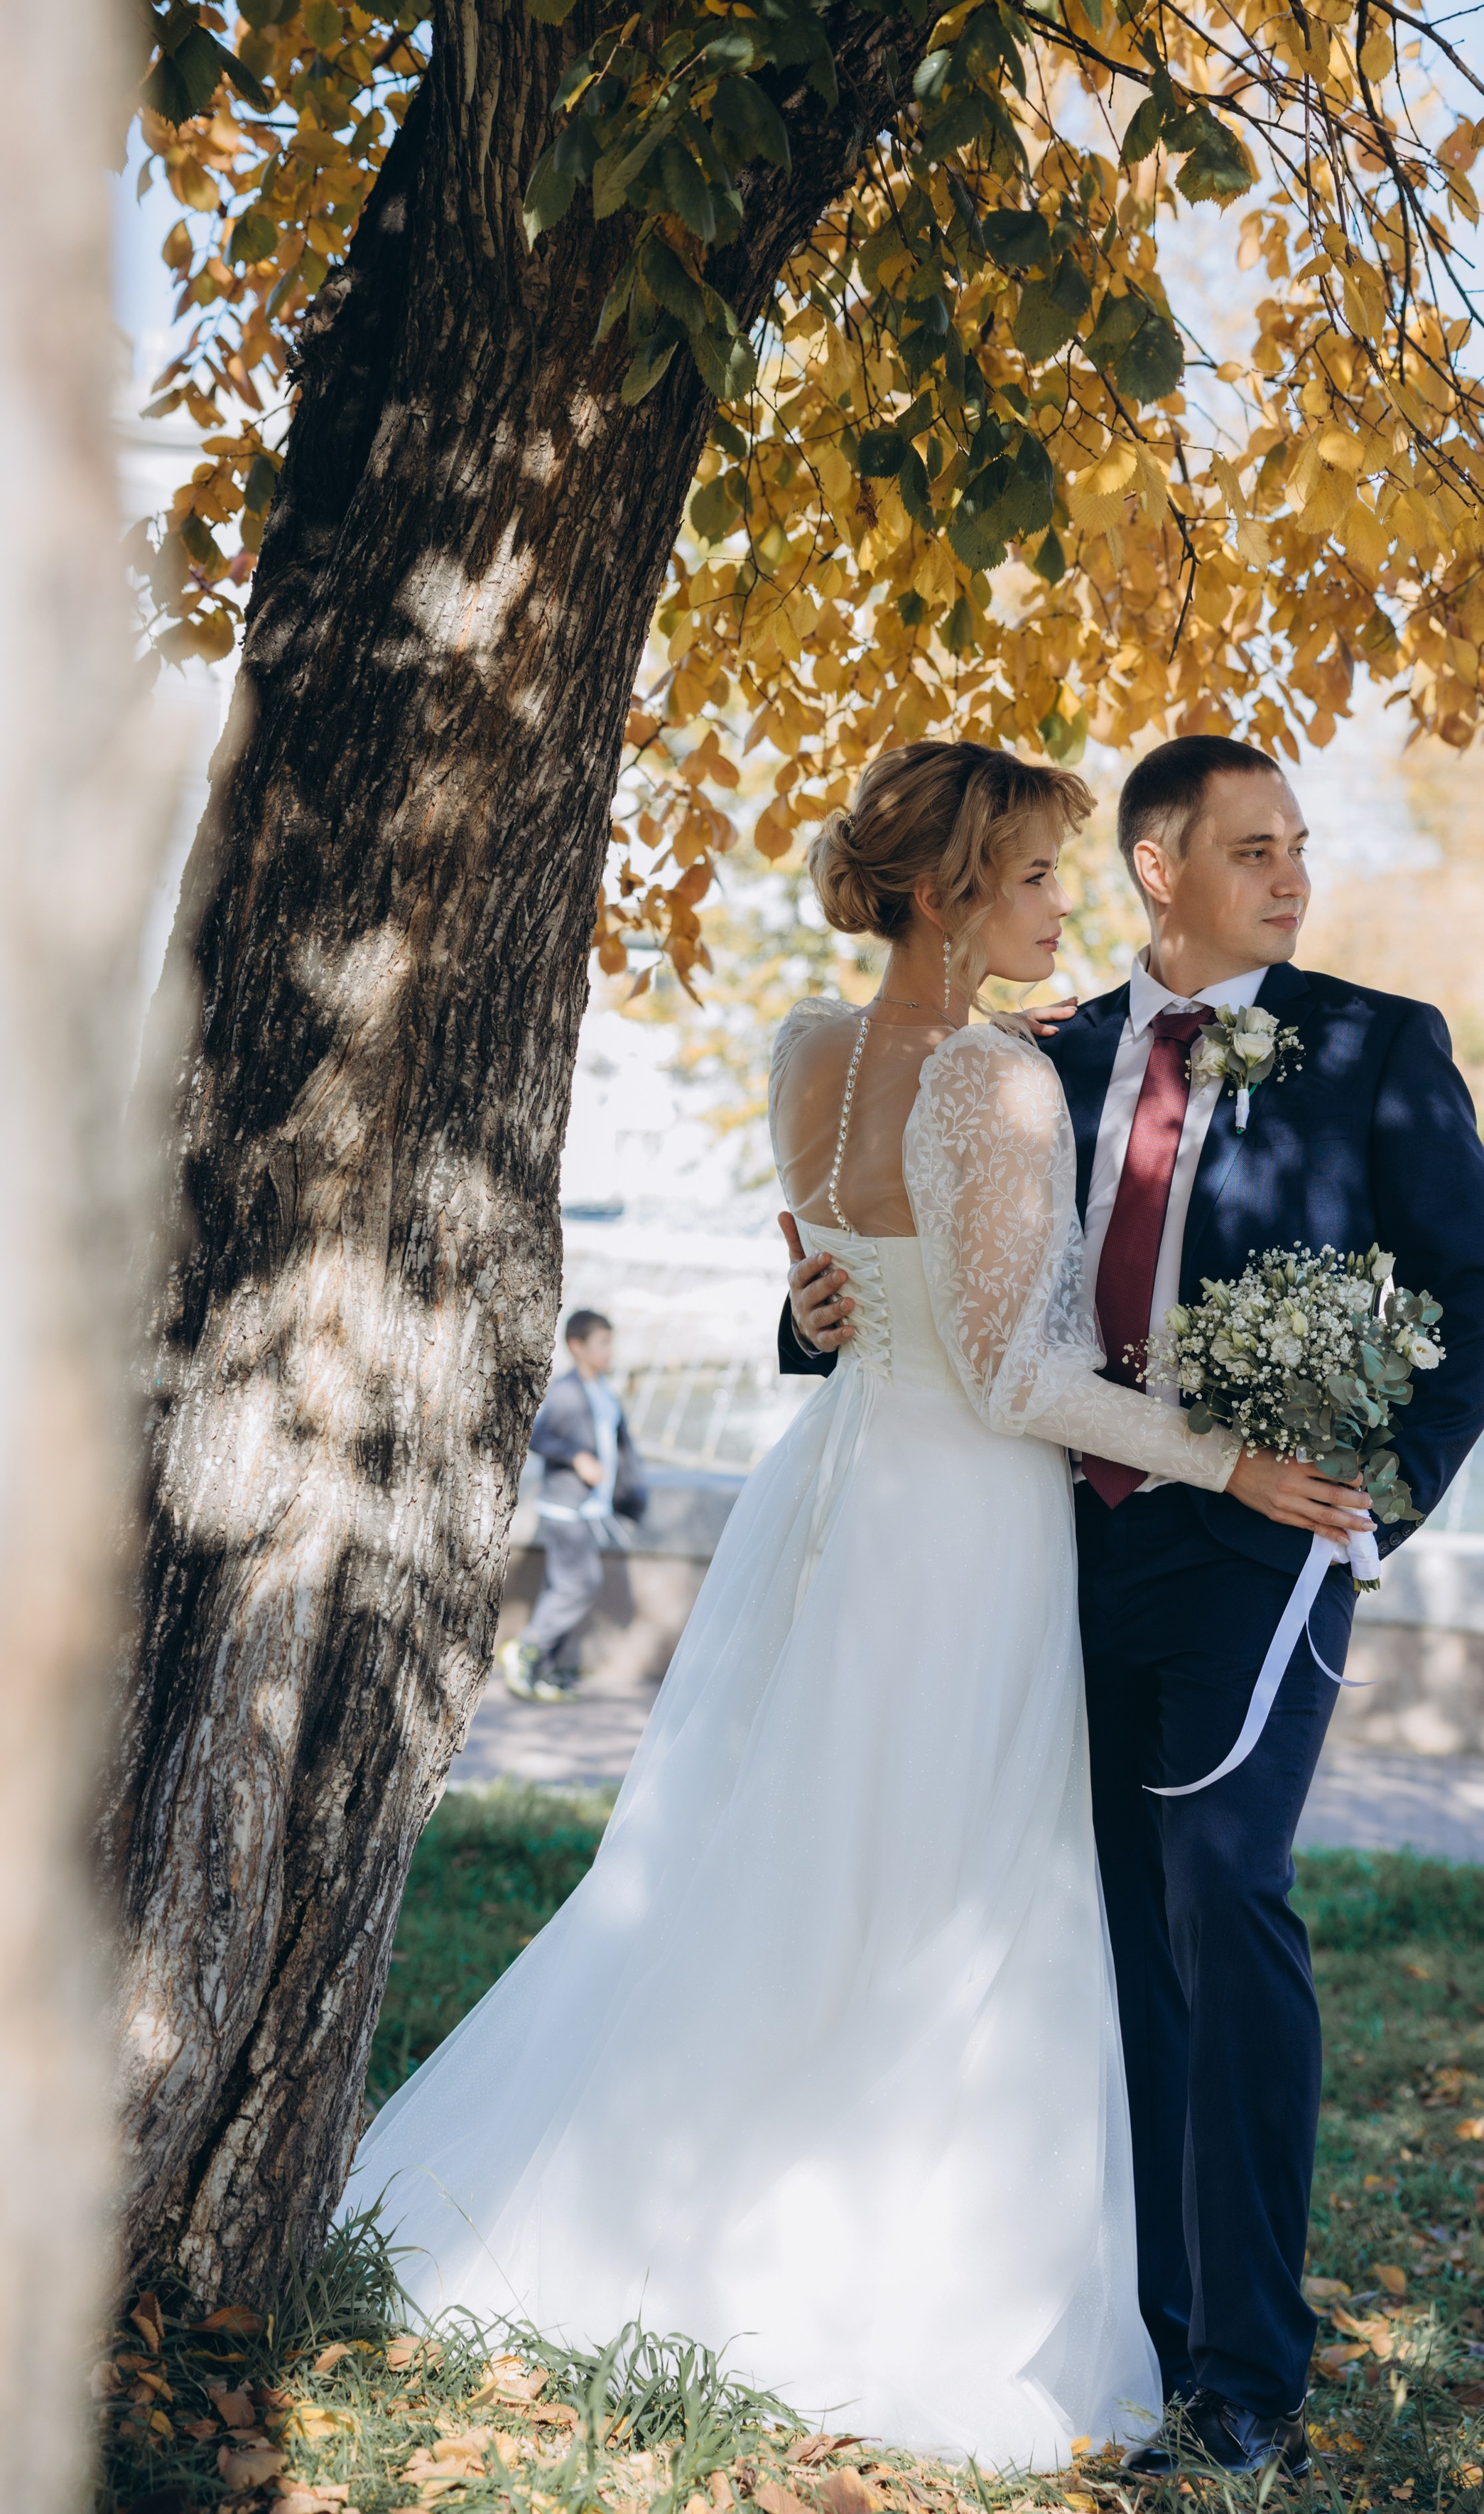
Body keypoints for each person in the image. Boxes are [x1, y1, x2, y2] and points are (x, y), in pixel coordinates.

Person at [340, 740, 1309, 2466]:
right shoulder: (998, 1087)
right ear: (944, 892)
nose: (1052, 907)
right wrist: (1225, 1457)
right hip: (967, 1518)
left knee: (779, 1852)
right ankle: (876, 2259)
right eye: (1026, 876)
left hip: (835, 1490)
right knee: (954, 1883)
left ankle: (676, 2192)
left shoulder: (809, 1053)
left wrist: (839, 1285)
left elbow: (835, 1281)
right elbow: (1018, 1377)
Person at [784, 732, 1484, 2478]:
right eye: (1253, 846)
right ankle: (1142, 2319)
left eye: (1297, 846)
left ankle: (1247, 2377)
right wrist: (808, 1308)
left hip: (1262, 1548)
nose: (1290, 875)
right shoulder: (1052, 1048)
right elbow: (954, 1288)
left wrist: (1365, 1510)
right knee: (1108, 1924)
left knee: (1216, 1881)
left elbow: (1481, 1303)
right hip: (1052, 1544)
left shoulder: (1372, 1048)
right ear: (1154, 867)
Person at [502, 1309, 649, 1703]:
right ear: (576, 1347)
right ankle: (526, 1649)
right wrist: (576, 1456)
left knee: (561, 1586)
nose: (609, 1350)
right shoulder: (567, 1392)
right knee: (579, 1583)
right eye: (601, 1343)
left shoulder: (603, 1390)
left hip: (590, 1509)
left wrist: (630, 1495)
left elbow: (620, 1447)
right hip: (567, 1509)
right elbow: (538, 1435)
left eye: (610, 1342)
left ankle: (543, 1672)